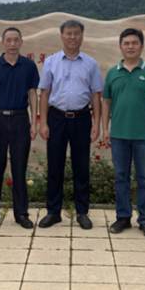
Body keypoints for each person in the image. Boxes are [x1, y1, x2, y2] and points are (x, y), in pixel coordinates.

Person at [38, 19, 103, 230]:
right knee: (55, 166)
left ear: (82, 36)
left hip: (82, 118)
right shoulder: (51, 62)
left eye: (76, 33)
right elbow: (44, 93)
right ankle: (53, 212)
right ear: (62, 36)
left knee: (81, 166)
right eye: (69, 33)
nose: (72, 37)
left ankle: (82, 212)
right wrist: (43, 122)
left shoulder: (90, 63)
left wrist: (96, 124)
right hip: (56, 118)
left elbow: (96, 95)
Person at [102, 28, 145, 238]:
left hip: (144, 136)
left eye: (134, 43)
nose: (130, 47)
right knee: (121, 177)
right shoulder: (113, 72)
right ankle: (123, 217)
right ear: (120, 46)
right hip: (119, 135)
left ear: (141, 46)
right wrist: (105, 129)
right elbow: (106, 103)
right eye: (126, 43)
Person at [0, 27, 39, 229]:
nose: (12, 44)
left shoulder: (29, 66)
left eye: (16, 40)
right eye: (9, 40)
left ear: (21, 42)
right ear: (3, 42)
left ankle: (21, 214)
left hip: (20, 119)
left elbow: (32, 94)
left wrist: (34, 122)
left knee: (19, 169)